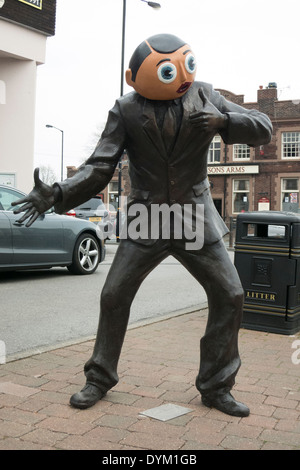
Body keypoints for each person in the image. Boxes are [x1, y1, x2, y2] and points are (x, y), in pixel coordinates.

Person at [13, 34, 272, 417]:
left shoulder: (205, 95)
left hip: (193, 216)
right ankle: (99, 377)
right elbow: (100, 166)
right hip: (146, 216)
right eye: (168, 70)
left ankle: (217, 386)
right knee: (114, 295)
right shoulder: (126, 109)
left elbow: (263, 126)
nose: (179, 76)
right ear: (134, 77)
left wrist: (224, 120)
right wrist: (56, 192)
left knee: (230, 294)